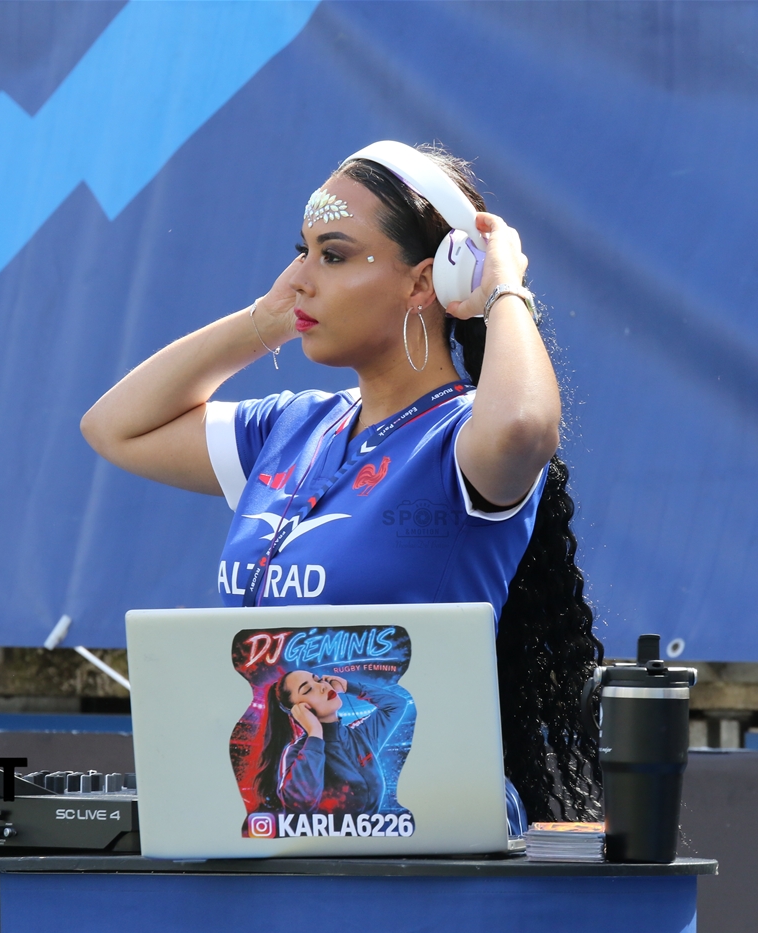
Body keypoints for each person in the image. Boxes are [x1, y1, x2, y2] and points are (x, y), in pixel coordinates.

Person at [82, 143, 602, 820]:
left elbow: (525, 427)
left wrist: (503, 287)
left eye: (333, 255)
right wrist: (270, 318)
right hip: (276, 829)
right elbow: (114, 427)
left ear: (426, 283)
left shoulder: (461, 438)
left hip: (425, 841)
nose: (302, 277)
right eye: (301, 252)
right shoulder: (294, 426)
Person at [255, 671, 408, 813]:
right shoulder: (297, 752)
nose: (322, 686)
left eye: (318, 680)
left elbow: (397, 704)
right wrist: (315, 733)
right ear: (298, 710)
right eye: (308, 689)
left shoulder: (361, 735)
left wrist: (349, 687)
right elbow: (300, 804)